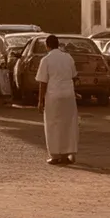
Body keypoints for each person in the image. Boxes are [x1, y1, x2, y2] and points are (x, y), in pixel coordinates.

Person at [35, 34, 79, 165]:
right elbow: (74, 76)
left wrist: (40, 101)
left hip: (54, 96)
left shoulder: (46, 60)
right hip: (68, 96)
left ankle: (55, 155)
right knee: (68, 124)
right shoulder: (68, 57)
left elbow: (43, 82)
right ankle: (66, 154)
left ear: (47, 45)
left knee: (53, 125)